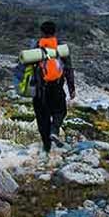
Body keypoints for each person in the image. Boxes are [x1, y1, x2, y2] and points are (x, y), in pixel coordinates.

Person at [28, 21, 75, 155]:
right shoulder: (61, 47)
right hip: (56, 87)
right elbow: (69, 69)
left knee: (42, 116)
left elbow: (26, 66)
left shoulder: (36, 46)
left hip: (39, 89)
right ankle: (54, 131)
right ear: (55, 32)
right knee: (60, 111)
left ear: (41, 32)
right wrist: (71, 88)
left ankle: (46, 147)